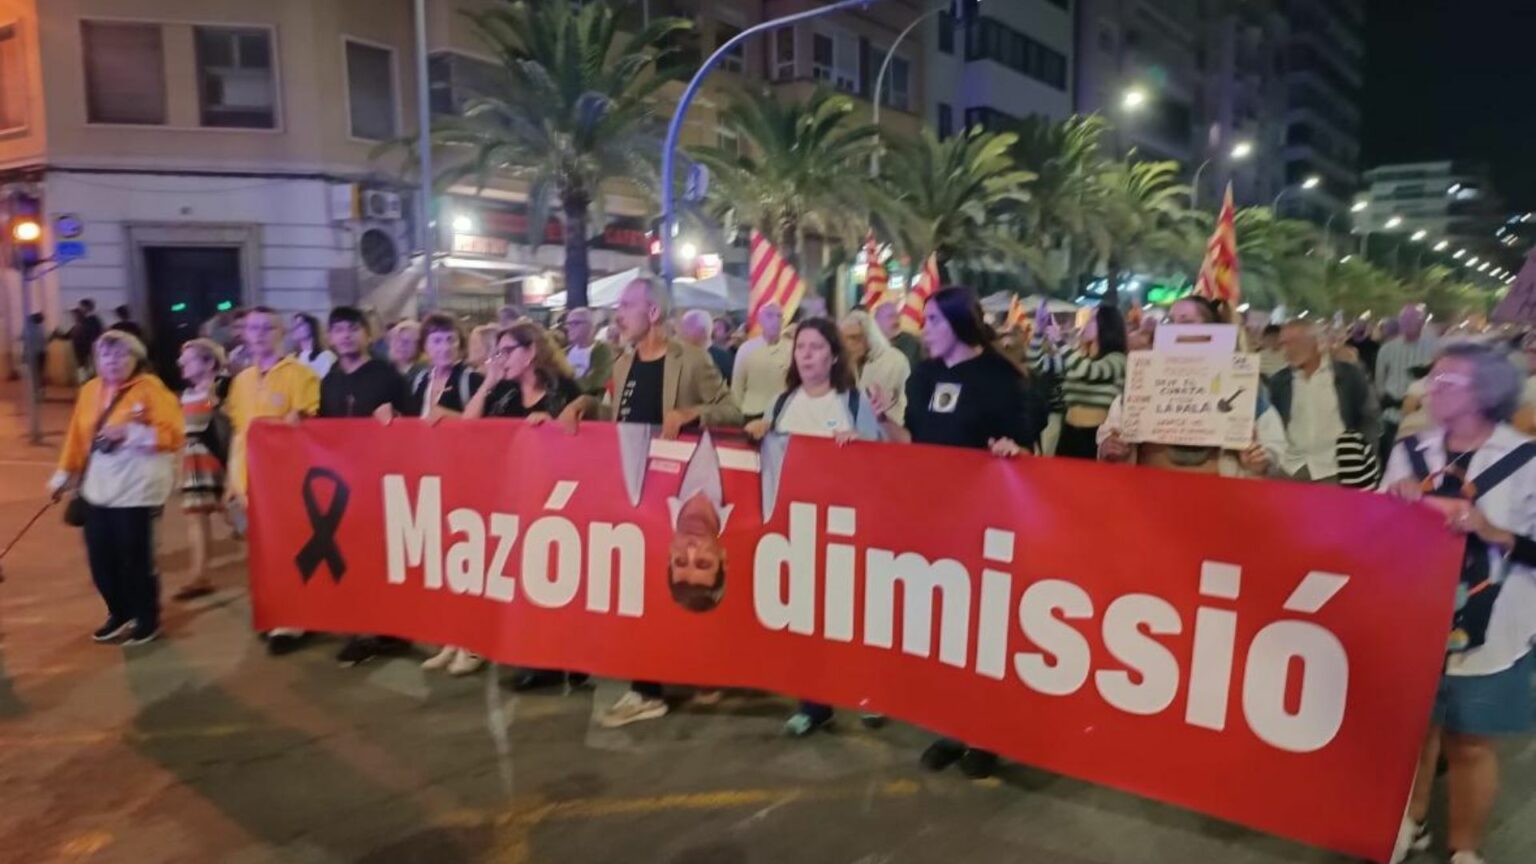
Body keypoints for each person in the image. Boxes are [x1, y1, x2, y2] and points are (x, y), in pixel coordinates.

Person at [875, 286, 1041, 779]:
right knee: (942, 631)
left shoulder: (999, 377)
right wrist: (883, 416)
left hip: (986, 524)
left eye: (932, 319)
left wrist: (1014, 451)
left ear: (958, 324)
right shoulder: (925, 375)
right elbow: (912, 443)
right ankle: (950, 727)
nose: (923, 328)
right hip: (934, 521)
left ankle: (986, 734)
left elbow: (1025, 449)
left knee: (982, 632)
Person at [1383, 343, 1536, 864]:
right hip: (1417, 615)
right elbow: (1377, 536)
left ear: (1486, 393)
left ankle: (1465, 847)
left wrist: (1492, 531)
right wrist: (1395, 506)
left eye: (1448, 383)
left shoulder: (1526, 459)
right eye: (1433, 380)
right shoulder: (1409, 450)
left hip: (1493, 627)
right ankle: (1410, 822)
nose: (1431, 390)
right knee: (1414, 733)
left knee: (1470, 743)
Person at [598, 276, 742, 728]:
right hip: (635, 499)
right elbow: (614, 423)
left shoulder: (692, 359)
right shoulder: (621, 363)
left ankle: (667, 681)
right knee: (636, 593)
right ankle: (647, 688)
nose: (618, 314)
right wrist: (583, 405)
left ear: (653, 313)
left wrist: (689, 414)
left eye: (626, 305)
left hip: (674, 502)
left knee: (660, 593)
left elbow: (732, 410)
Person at [745, 318, 883, 736]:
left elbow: (883, 465)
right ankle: (813, 703)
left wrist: (861, 444)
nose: (806, 354)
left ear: (834, 356)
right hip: (797, 530)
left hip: (845, 530)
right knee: (806, 620)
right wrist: (758, 433)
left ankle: (869, 693)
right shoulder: (783, 403)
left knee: (854, 617)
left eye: (816, 347)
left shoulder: (852, 402)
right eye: (800, 347)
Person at [48, 330, 183, 646]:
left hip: (135, 490)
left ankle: (146, 618)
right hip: (98, 489)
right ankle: (118, 611)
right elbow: (77, 438)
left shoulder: (150, 388)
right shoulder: (89, 390)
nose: (113, 361)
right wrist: (62, 476)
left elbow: (173, 433)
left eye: (122, 354)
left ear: (136, 358)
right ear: (96, 360)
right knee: (100, 560)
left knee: (134, 557)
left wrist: (131, 432)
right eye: (106, 355)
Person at [1097, 296, 1284, 477]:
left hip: (1218, 497)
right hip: (1149, 493)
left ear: (1212, 330)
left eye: (1186, 322)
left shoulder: (1243, 384)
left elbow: (1272, 448)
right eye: (1170, 322)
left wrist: (1259, 461)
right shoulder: (1145, 377)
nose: (1175, 329)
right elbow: (1113, 430)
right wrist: (1110, 447)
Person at [225, 307, 321, 655]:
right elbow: (239, 434)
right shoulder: (241, 381)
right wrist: (231, 483)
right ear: (244, 334)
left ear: (281, 333)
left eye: (268, 328)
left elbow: (307, 424)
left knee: (291, 549)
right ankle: (274, 610)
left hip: (287, 481)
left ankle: (296, 618)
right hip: (249, 480)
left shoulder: (301, 375)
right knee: (262, 553)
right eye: (253, 328)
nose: (260, 334)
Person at [321, 306, 412, 667]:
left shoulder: (386, 376)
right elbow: (324, 431)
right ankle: (363, 629)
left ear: (367, 334)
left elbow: (413, 423)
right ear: (330, 337)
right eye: (338, 330)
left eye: (352, 329)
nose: (345, 336)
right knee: (351, 557)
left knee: (380, 558)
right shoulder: (329, 380)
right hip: (341, 484)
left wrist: (396, 421)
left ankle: (382, 629)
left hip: (381, 483)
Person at [1268, 321, 1382, 485]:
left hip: (1335, 470)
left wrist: (1363, 458)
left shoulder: (1349, 376)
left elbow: (1370, 418)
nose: (1287, 349)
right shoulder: (1279, 382)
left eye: (1294, 342)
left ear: (1315, 342)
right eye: (1284, 343)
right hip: (1290, 469)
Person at [1027, 303, 1128, 460]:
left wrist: (1060, 341)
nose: (1086, 324)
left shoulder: (1118, 359)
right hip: (1069, 432)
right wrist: (1039, 331)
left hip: (1097, 437)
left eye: (1093, 320)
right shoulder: (1078, 358)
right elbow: (1036, 364)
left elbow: (1088, 371)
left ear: (1106, 325)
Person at [173, 338, 229, 601]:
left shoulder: (221, 389)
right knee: (195, 518)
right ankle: (199, 575)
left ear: (208, 362)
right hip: (193, 459)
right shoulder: (188, 394)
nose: (182, 363)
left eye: (189, 359)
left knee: (237, 518)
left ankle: (272, 567)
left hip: (217, 459)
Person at [1377, 304, 1440, 453]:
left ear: (1422, 323)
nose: (1409, 325)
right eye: (1405, 321)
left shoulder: (1435, 347)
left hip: (1422, 420)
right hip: (1393, 417)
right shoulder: (1387, 349)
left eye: (1413, 321)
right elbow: (1379, 382)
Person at [403, 313, 482, 420]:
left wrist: (450, 416)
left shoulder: (472, 379)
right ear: (425, 346)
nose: (445, 348)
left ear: (460, 343)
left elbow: (484, 427)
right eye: (437, 341)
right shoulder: (418, 380)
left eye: (451, 340)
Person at [840, 310, 910, 425]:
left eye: (854, 338)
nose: (848, 344)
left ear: (870, 337)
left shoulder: (893, 360)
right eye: (844, 339)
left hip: (888, 430)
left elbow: (879, 405)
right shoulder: (848, 362)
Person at [732, 302, 791, 420]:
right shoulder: (746, 349)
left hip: (783, 413)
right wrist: (737, 412)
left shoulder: (792, 348)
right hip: (752, 412)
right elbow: (737, 387)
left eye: (779, 316)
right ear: (760, 320)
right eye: (770, 316)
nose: (775, 320)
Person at [561, 306, 613, 397]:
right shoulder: (564, 352)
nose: (569, 328)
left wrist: (566, 382)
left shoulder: (603, 351)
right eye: (568, 324)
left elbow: (594, 382)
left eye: (575, 323)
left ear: (590, 326)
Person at [873, 300, 923, 369]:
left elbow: (902, 369)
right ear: (877, 322)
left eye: (897, 316)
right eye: (891, 317)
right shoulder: (871, 342)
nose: (896, 321)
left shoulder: (909, 342)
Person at [290, 313, 336, 380]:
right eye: (294, 325)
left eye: (300, 324)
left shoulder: (326, 356)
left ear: (311, 327)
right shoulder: (292, 358)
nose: (295, 328)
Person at [72, 299, 104, 378]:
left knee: (91, 368)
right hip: (89, 347)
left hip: (89, 346)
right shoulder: (94, 320)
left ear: (86, 307)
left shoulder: (90, 320)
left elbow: (91, 334)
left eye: (82, 306)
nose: (80, 309)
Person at [22, 312, 45, 396]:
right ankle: (40, 390)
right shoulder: (41, 328)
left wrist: (23, 358)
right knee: (40, 373)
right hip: (42, 353)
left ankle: (36, 391)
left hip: (33, 354)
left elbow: (26, 344)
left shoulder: (28, 329)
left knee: (34, 374)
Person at [709, 316, 735, 383]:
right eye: (712, 328)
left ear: (727, 332)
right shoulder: (708, 352)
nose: (713, 331)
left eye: (718, 328)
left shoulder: (735, 351)